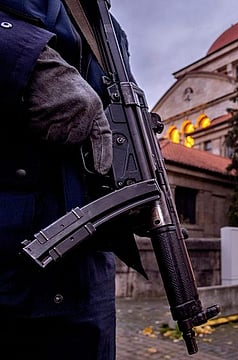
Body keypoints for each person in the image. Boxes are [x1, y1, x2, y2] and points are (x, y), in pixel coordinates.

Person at [0, 1, 137, 358]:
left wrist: (135, 177)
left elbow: (115, 116)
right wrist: (27, 63)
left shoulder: (108, 28)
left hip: (86, 276)